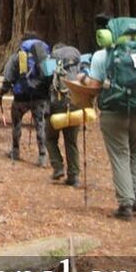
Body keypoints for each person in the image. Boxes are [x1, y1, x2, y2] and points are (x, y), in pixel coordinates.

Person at [79, 14, 136, 221]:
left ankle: (125, 203)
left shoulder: (101, 55)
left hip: (114, 111)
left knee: (120, 155)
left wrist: (83, 79)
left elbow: (95, 86)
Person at [0, 35, 51, 165]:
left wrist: (1, 93)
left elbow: (8, 78)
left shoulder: (17, 56)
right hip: (40, 96)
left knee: (16, 124)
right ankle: (42, 155)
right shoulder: (44, 55)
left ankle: (15, 151)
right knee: (40, 125)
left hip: (20, 97)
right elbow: (50, 76)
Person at [47, 43, 83, 185]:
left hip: (56, 105)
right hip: (75, 104)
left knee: (49, 137)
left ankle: (57, 167)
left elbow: (44, 83)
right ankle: (74, 176)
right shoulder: (78, 63)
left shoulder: (51, 63)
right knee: (71, 142)